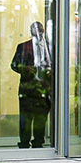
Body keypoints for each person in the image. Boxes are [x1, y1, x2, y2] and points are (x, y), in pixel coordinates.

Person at [11, 21, 53, 149]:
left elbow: (55, 66)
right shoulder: (23, 47)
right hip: (28, 89)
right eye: (35, 30)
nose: (38, 33)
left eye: (40, 30)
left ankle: (38, 142)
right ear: (31, 32)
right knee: (26, 118)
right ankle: (24, 143)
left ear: (44, 31)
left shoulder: (50, 47)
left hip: (44, 89)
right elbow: (14, 65)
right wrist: (25, 68)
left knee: (41, 118)